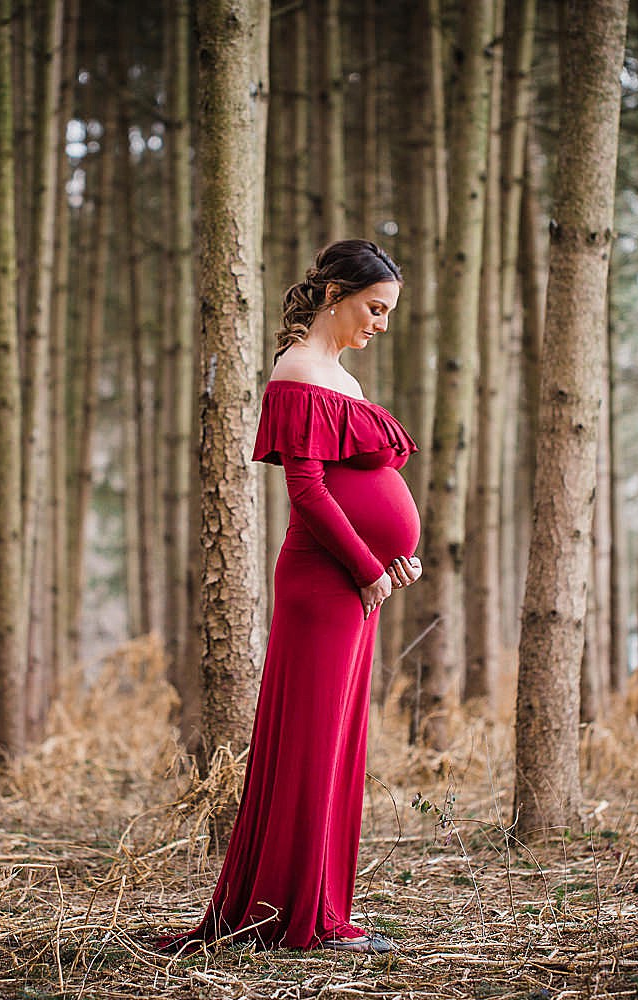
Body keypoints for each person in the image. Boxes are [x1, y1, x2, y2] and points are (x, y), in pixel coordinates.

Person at [164, 239, 424, 955]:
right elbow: (307, 489)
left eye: (389, 312)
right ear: (336, 294)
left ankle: (321, 905)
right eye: (375, 307)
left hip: (355, 578)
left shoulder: (338, 376)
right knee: (313, 745)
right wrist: (367, 565)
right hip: (322, 583)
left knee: (339, 745)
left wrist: (391, 558)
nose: (381, 322)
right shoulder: (299, 370)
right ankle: (294, 915)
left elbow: (356, 482)